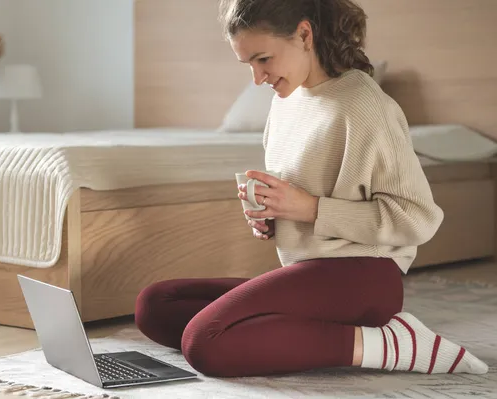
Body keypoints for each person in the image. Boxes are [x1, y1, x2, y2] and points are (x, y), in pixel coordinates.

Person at [134, 0, 489, 378]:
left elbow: (417, 219)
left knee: (203, 343)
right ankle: (290, 333)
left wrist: (310, 209)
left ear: (305, 34)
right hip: (309, 274)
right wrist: (272, 216)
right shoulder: (284, 104)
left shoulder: (364, 104)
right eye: (249, 64)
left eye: (264, 59)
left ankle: (391, 345)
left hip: (363, 277)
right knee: (156, 304)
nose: (258, 78)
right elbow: (302, 202)